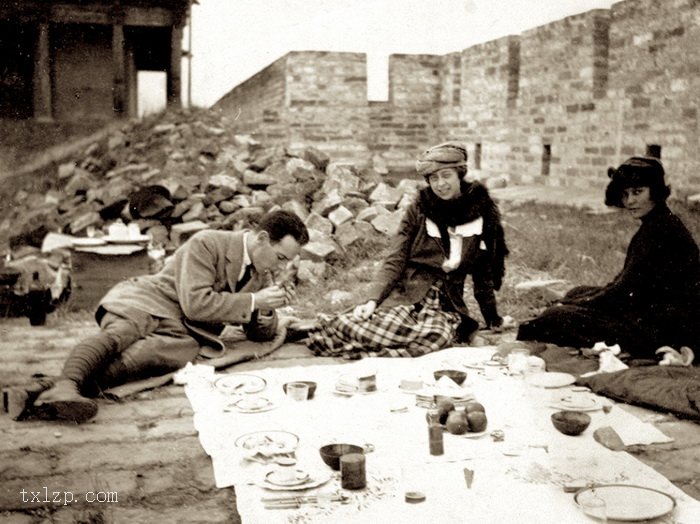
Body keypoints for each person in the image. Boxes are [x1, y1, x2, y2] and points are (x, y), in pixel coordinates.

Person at [24, 210, 309, 423]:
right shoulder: (208, 242)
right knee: (121, 335)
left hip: (182, 329)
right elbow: (196, 304)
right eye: (281, 257)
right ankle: (64, 385)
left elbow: (258, 335)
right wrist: (253, 300)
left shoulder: (261, 272)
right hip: (148, 299)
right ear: (261, 239)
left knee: (155, 357)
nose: (280, 266)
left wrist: (267, 310)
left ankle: (50, 388)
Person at [306, 141, 510, 359]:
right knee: (359, 324)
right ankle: (376, 346)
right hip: (407, 295)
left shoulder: (482, 213)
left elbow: (483, 275)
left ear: (460, 174)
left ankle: (369, 352)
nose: (440, 184)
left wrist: (492, 319)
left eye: (446, 175)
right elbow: (396, 258)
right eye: (433, 178)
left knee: (438, 336)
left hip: (444, 306)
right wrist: (373, 300)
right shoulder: (419, 209)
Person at [517, 156, 699, 365]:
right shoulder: (658, 223)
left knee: (556, 316)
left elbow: (622, 292)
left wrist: (572, 305)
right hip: (652, 312)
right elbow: (625, 283)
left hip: (663, 329)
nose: (630, 201)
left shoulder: (659, 231)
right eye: (625, 194)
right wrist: (578, 300)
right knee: (576, 293)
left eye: (638, 192)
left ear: (655, 192)